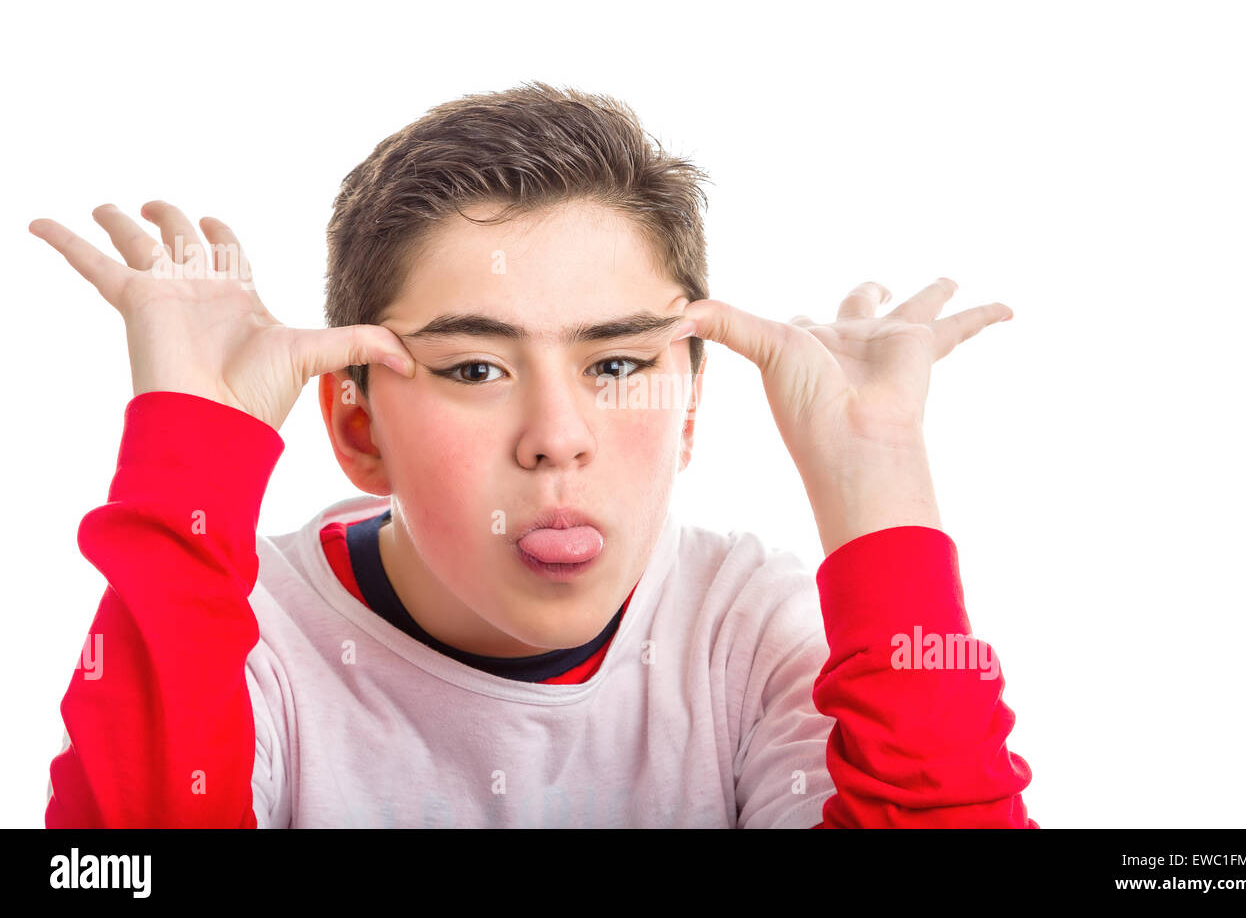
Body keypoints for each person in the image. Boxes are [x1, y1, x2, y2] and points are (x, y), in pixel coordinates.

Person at [35, 81, 1035, 827]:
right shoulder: (239, 638)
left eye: (614, 363)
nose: (558, 436)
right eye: (475, 367)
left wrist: (878, 475)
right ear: (357, 427)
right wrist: (191, 458)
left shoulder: (752, 632)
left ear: (687, 410)